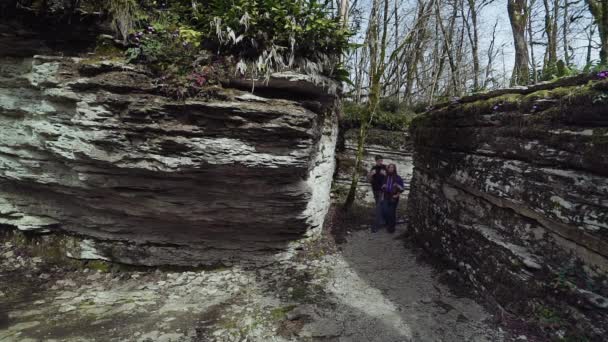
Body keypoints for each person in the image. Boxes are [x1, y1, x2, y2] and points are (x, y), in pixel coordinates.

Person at [380, 164, 404, 233]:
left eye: (392, 167)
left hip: (394, 196)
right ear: (388, 169)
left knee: (392, 212)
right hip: (386, 196)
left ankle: (391, 228)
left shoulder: (398, 177)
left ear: (394, 169)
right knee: (385, 211)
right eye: (389, 167)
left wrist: (397, 194)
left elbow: (402, 188)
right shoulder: (385, 177)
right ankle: (388, 224)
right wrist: (383, 187)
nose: (391, 169)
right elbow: (382, 188)